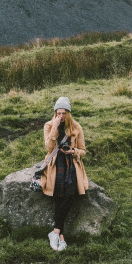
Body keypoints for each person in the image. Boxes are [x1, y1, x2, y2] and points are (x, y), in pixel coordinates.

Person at [41, 96, 89, 251]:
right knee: (58, 196)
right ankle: (60, 236)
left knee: (69, 194)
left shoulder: (76, 127)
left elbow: (83, 150)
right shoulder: (49, 125)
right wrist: (54, 128)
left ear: (68, 113)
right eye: (58, 113)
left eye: (64, 113)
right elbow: (49, 148)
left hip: (71, 164)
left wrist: (73, 151)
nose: (61, 116)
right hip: (55, 164)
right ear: (55, 113)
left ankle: (55, 232)